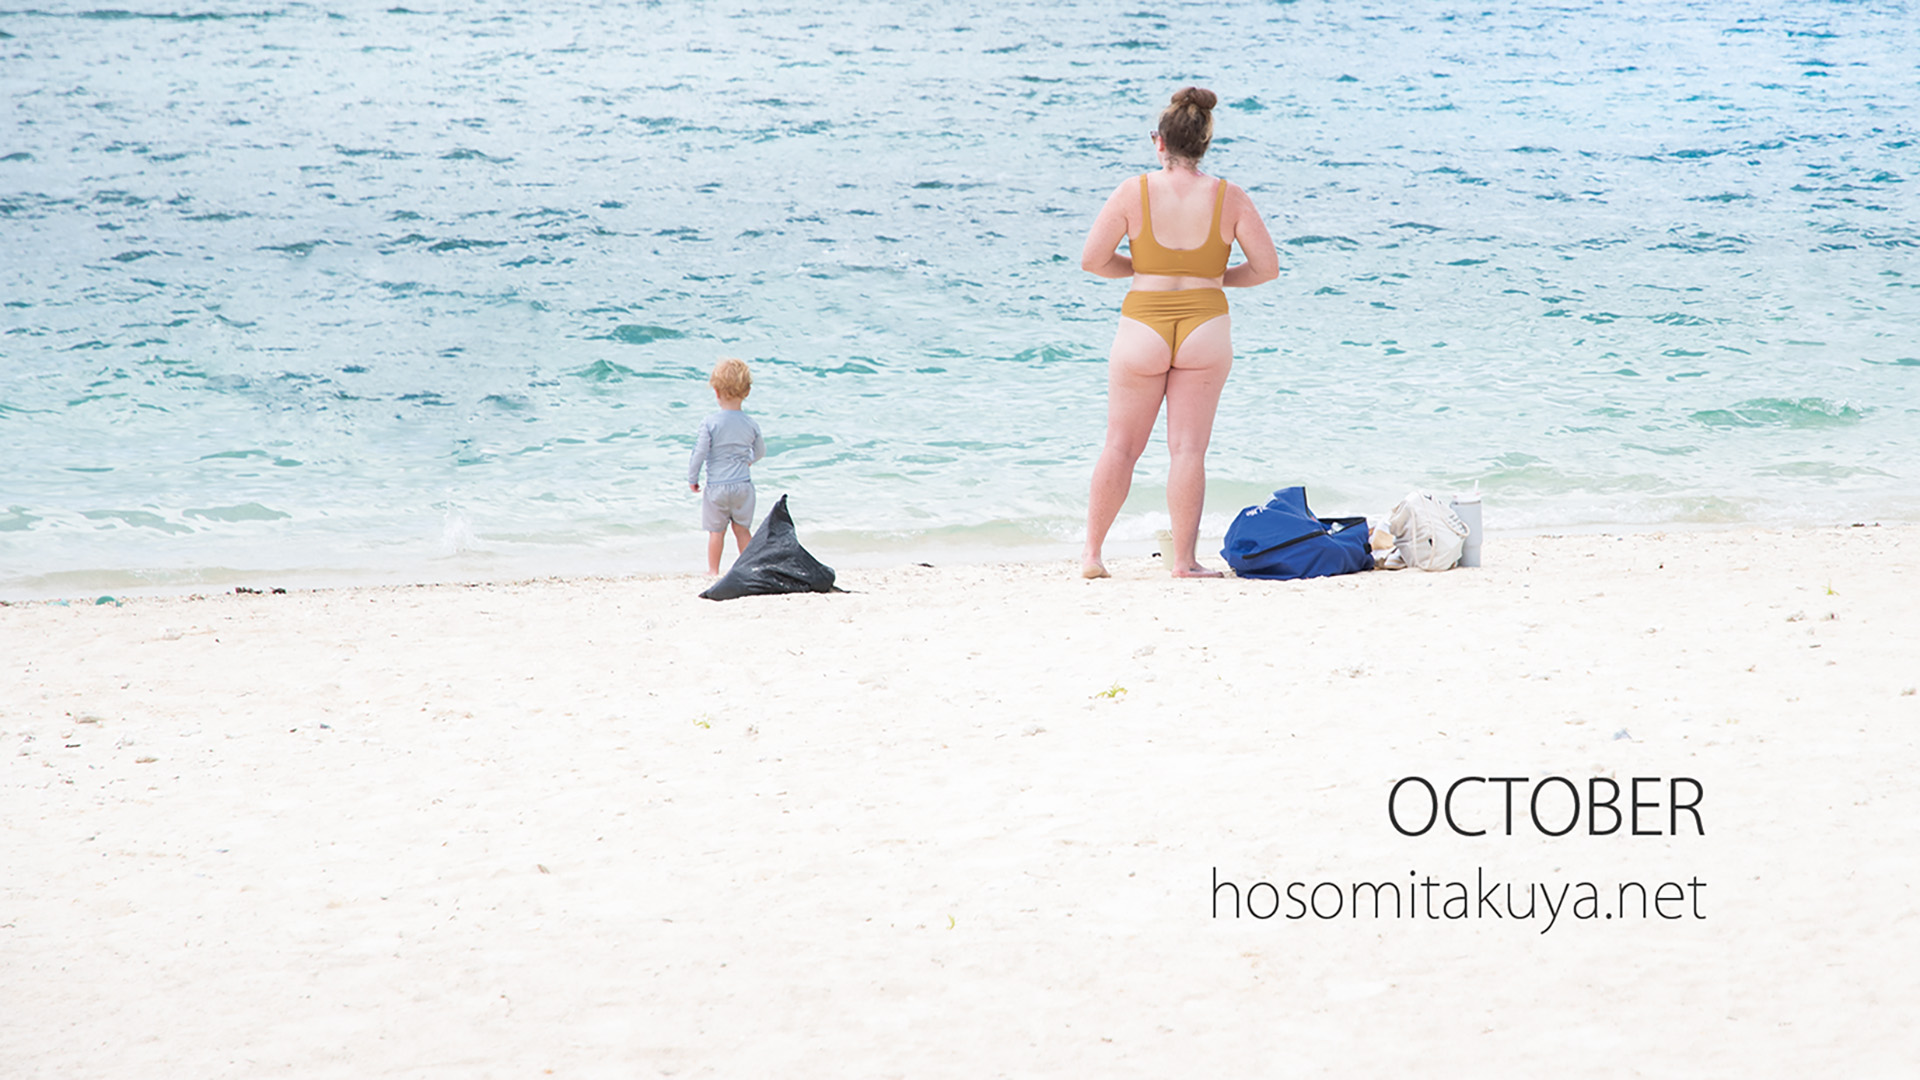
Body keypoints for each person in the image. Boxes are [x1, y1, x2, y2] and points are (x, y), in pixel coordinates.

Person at [1078, 86, 1279, 578]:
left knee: (1120, 446)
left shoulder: (1133, 191)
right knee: (1188, 450)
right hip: (1205, 326)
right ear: (1205, 143)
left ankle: (1093, 555)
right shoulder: (1230, 197)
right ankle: (1185, 563)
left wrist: (1142, 269)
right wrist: (1213, 278)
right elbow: (1266, 269)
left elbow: (1093, 260)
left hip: (1142, 324)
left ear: (1159, 142)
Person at [688, 357, 766, 575]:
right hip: (743, 487)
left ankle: (713, 571)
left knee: (716, 532)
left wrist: (693, 478)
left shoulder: (710, 423)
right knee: (742, 530)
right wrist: (748, 460)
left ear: (716, 392)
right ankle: (750, 569)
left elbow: (699, 453)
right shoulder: (751, 423)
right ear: (747, 392)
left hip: (717, 487)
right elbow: (760, 451)